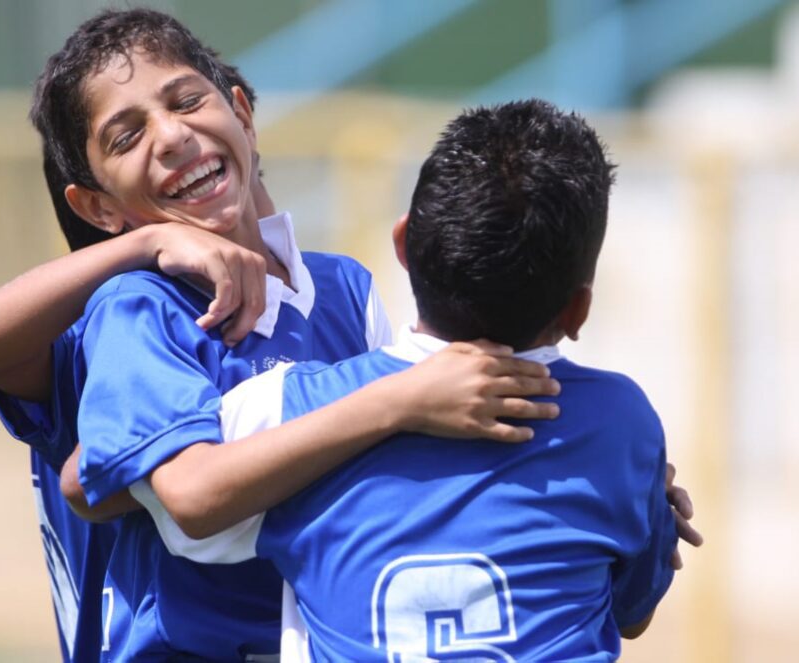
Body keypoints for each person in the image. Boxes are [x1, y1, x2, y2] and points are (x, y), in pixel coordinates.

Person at [0, 9, 561, 662]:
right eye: (126, 137)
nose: (171, 135)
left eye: (186, 100)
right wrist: (153, 242)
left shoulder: (343, 290)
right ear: (99, 206)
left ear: (241, 114)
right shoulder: (128, 307)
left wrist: (586, 467)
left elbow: (404, 444)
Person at [135, 100, 683, 661]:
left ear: (402, 244)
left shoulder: (287, 410)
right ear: (578, 311)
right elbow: (631, 612)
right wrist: (649, 506)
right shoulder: (621, 422)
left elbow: (146, 489)